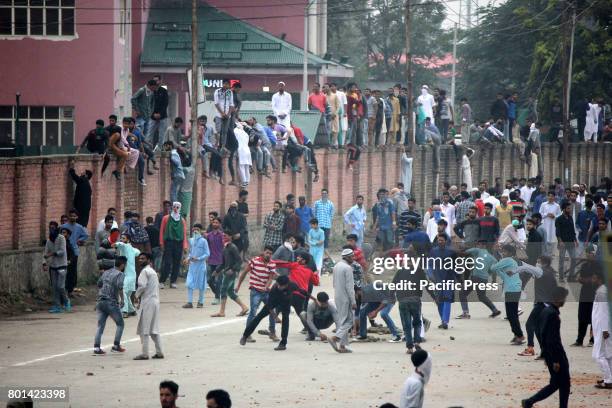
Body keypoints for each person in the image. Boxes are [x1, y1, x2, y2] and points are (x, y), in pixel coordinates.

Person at [521, 286, 570, 408]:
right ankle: (529, 401)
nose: (564, 301)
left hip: (550, 354)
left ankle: (529, 402)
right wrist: (556, 360)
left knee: (558, 383)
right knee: (562, 384)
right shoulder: (553, 315)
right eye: (564, 298)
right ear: (558, 299)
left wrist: (545, 354)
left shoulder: (545, 311)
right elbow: (553, 340)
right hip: (556, 356)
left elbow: (541, 334)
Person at [240, 275, 307, 351]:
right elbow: (269, 306)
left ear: (287, 284)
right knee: (259, 317)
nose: (279, 287)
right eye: (278, 284)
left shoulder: (292, 285)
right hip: (273, 302)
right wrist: (275, 317)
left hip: (286, 302)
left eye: (281, 286)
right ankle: (245, 336)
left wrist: (314, 300)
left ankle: (283, 343)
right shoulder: (274, 289)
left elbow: (302, 291)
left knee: (286, 320)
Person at [235, 246, 278, 342]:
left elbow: (271, 278)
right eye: (267, 252)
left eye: (270, 253)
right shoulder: (254, 261)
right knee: (253, 312)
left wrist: (266, 287)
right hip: (255, 291)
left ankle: (272, 332)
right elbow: (244, 273)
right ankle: (248, 334)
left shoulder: (272, 264)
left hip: (266, 291)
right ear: (263, 252)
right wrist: (238, 285)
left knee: (272, 311)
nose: (268, 255)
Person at [491, 245, 525, 345]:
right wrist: (498, 268)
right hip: (514, 288)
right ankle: (517, 334)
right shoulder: (512, 261)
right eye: (502, 251)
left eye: (504, 251)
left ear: (510, 253)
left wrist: (495, 263)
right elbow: (504, 276)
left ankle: (519, 335)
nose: (503, 253)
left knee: (511, 314)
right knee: (512, 314)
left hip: (512, 289)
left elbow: (493, 268)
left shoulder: (507, 260)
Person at [211, 230, 249, 318]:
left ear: (230, 237)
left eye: (226, 236)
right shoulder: (225, 248)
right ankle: (244, 307)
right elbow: (223, 263)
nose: (224, 237)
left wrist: (233, 269)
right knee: (230, 292)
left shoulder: (233, 247)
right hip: (227, 272)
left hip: (231, 273)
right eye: (223, 236)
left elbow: (239, 261)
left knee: (223, 290)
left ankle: (222, 312)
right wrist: (216, 271)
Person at [93, 256, 127, 355]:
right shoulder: (120, 274)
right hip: (111, 302)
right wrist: (122, 300)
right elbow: (120, 287)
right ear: (122, 265)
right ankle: (116, 345)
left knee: (100, 326)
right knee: (120, 324)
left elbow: (99, 284)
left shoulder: (106, 272)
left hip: (100, 301)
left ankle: (96, 347)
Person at [133, 253, 164, 360]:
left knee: (145, 328)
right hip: (155, 301)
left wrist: (136, 295)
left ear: (149, 260)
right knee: (153, 328)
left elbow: (142, 286)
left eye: (143, 259)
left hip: (148, 302)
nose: (140, 260)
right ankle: (159, 352)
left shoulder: (145, 271)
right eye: (140, 259)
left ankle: (145, 353)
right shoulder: (153, 272)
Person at [329, 248, 357, 353]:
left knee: (342, 321)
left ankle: (343, 346)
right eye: (352, 256)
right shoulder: (347, 268)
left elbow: (334, 283)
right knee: (349, 321)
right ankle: (335, 338)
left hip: (337, 296)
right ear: (347, 257)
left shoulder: (336, 266)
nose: (353, 258)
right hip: (345, 298)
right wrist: (353, 301)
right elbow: (350, 287)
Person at [159, 202, 188, 289]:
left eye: (178, 207)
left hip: (178, 243)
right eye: (174, 207)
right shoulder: (166, 218)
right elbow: (162, 231)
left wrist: (185, 246)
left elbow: (184, 234)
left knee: (177, 263)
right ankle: (162, 281)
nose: (176, 208)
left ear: (180, 208)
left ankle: (173, 281)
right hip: (169, 242)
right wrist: (161, 242)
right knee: (167, 262)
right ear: (172, 207)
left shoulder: (182, 220)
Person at [591, 268, 612, 389]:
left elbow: (604, 312)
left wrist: (604, 330)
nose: (592, 280)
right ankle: (609, 378)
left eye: (594, 278)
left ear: (599, 279)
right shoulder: (603, 290)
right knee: (608, 354)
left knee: (598, 355)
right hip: (603, 328)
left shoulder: (602, 292)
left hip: (603, 329)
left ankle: (608, 380)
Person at [61, 209, 89, 295]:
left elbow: (86, 235)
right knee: (63, 270)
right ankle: (63, 288)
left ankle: (70, 289)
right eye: (71, 216)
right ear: (68, 216)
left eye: (74, 216)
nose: (72, 217)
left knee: (72, 271)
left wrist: (79, 240)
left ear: (77, 217)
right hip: (64, 251)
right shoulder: (63, 226)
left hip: (74, 251)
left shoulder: (79, 227)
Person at [43, 221, 69, 313]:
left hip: (62, 265)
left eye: (53, 228)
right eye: (50, 228)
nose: (51, 229)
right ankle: (57, 306)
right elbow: (45, 253)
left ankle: (66, 301)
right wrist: (44, 263)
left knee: (60, 286)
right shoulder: (49, 240)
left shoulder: (61, 238)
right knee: (54, 287)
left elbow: (62, 252)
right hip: (53, 266)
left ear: (57, 228)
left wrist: (51, 254)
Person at [182, 224, 210, 309]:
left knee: (201, 284)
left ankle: (200, 302)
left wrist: (198, 258)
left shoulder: (204, 241)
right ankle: (189, 302)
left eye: (197, 229)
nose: (195, 231)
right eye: (194, 229)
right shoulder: (191, 240)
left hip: (201, 266)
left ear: (201, 231)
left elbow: (207, 253)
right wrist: (188, 259)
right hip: (192, 266)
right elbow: (191, 252)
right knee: (189, 283)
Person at [113, 233, 141, 317]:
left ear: (128, 240)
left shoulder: (124, 246)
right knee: (127, 293)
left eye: (123, 238)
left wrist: (116, 244)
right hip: (132, 275)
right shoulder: (132, 249)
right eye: (121, 238)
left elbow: (121, 244)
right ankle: (132, 310)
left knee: (123, 291)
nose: (121, 239)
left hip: (127, 275)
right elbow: (138, 252)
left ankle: (124, 311)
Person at [555, 201, 578, 282]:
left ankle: (571, 276)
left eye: (570, 208)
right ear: (564, 209)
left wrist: (575, 240)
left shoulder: (570, 218)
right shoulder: (558, 219)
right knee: (561, 260)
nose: (570, 210)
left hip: (571, 241)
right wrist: (560, 241)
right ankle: (561, 277)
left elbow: (572, 230)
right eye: (568, 208)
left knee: (574, 259)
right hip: (563, 243)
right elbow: (557, 232)